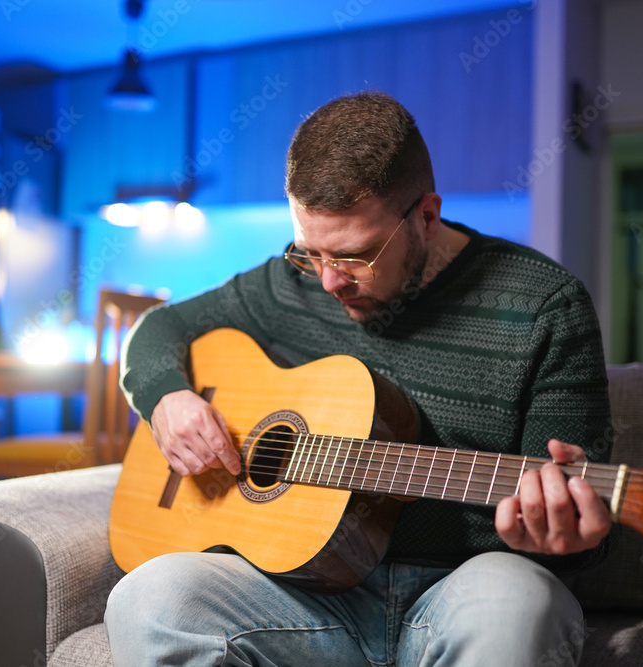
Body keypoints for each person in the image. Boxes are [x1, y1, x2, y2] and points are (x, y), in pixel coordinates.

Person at [105, 91, 614, 666]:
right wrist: (166, 398)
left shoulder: (547, 306)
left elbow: (576, 520)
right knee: (145, 601)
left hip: (460, 593)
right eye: (309, 254)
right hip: (302, 603)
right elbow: (160, 326)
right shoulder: (286, 286)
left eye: (356, 257)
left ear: (426, 214)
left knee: (519, 602)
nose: (327, 281)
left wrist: (563, 542)